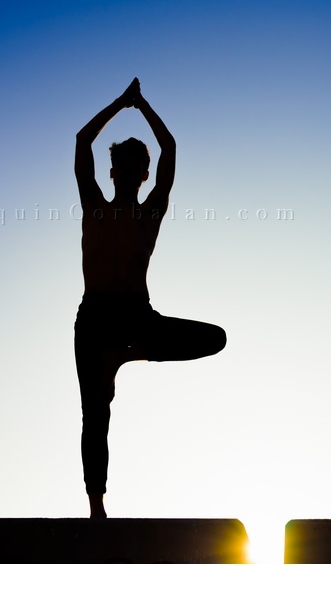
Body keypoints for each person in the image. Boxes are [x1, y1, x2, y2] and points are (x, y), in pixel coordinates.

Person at [74, 78, 226, 518]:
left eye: (135, 164)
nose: (126, 170)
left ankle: (126, 357)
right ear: (114, 171)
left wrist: (140, 106)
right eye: (121, 163)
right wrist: (124, 104)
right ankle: (97, 508)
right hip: (96, 318)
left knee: (214, 338)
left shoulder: (150, 211)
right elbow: (84, 140)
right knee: (94, 415)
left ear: (142, 174)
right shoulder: (94, 206)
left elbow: (170, 148)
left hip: (137, 317)